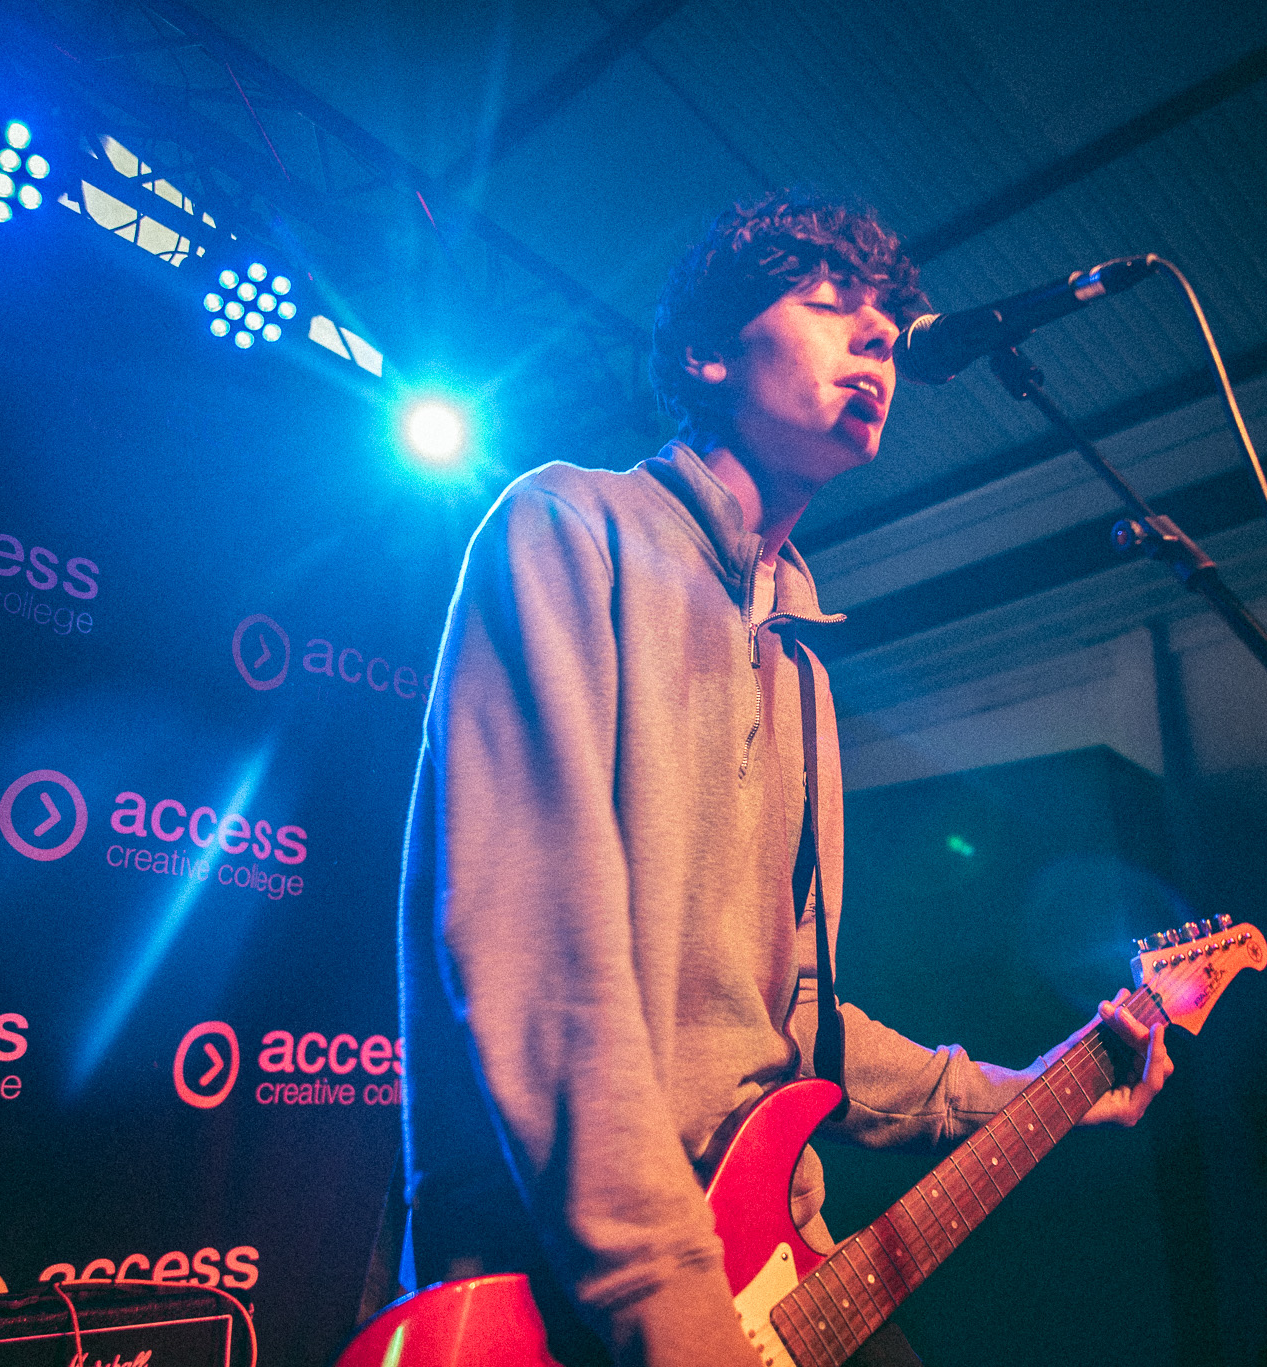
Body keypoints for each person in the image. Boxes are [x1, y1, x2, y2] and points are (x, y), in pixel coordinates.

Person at [398, 189, 1173, 1367]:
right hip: (577, 1298)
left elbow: (791, 1031)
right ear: (709, 353)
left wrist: (1025, 1090)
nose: (876, 341)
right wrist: (672, 1302)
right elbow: (538, 956)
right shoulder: (567, 525)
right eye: (828, 308)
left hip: (775, 1264)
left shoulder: (800, 657)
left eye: (884, 325)